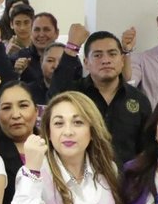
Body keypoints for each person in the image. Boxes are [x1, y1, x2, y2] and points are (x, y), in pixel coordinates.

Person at [50, 27, 152, 163]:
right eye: (97, 55)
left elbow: (146, 150)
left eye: (112, 54)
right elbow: (53, 99)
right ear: (86, 63)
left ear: (122, 60)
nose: (106, 60)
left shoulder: (139, 100)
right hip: (81, 173)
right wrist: (71, 48)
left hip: (126, 175)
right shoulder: (74, 95)